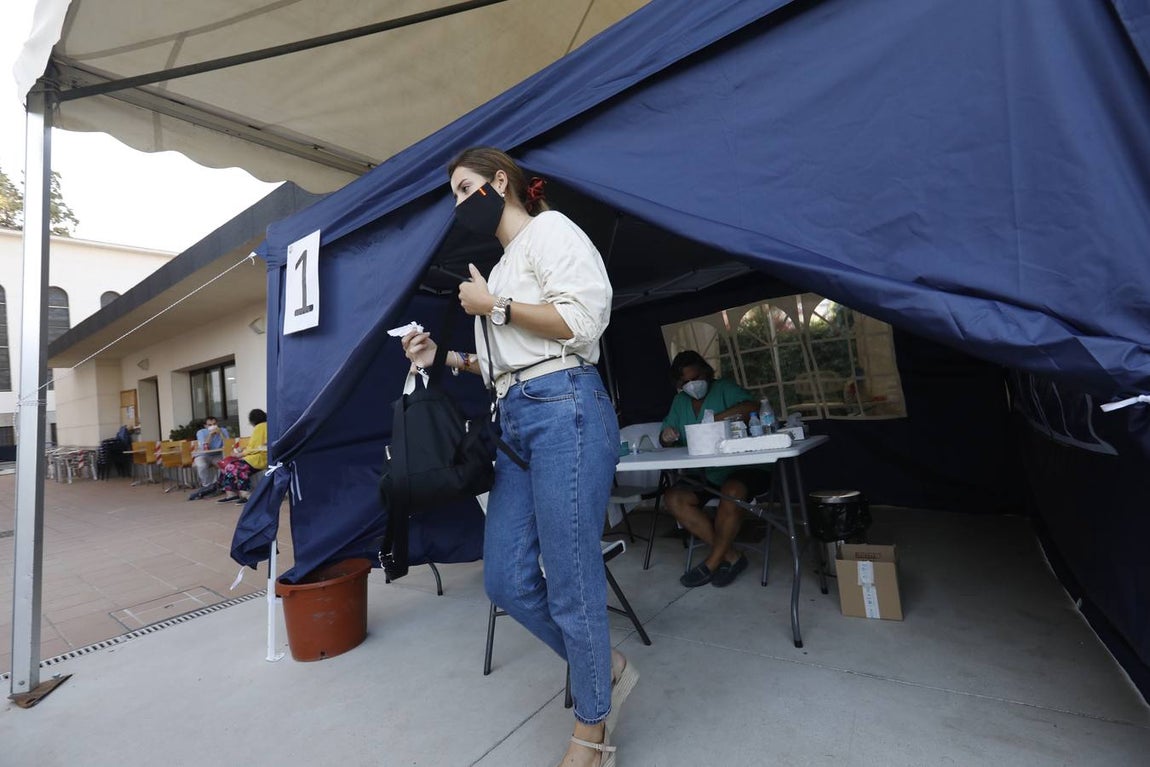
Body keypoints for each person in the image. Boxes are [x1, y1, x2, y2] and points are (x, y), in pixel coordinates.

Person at [402, 147, 635, 767]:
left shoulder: (550, 231)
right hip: (518, 417)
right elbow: (503, 362)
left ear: (500, 182)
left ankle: (592, 732)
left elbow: (584, 321)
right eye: (454, 193)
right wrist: (443, 359)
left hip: (568, 408)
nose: (458, 203)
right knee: (505, 577)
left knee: (571, 578)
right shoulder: (498, 270)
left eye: (464, 187)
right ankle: (604, 667)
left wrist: (495, 308)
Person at [659, 350, 766, 588]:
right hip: (706, 472)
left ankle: (711, 562)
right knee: (674, 498)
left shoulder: (724, 388)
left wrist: (717, 418)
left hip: (743, 467)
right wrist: (666, 436)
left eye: (695, 377)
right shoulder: (680, 402)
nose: (692, 385)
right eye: (685, 382)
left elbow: (752, 407)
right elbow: (666, 437)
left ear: (706, 373)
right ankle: (731, 556)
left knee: (732, 492)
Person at [215, 409, 268, 504]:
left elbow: (257, 447)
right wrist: (243, 450)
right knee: (230, 466)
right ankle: (233, 494)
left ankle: (245, 495)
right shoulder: (265, 426)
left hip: (259, 457)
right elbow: (256, 446)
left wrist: (241, 453)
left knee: (233, 467)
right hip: (259, 456)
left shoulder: (260, 427)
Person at [188, 416, 229, 500]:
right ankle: (206, 486)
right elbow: (205, 447)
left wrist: (220, 433)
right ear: (205, 426)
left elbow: (228, 444)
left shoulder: (223, 430)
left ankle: (217, 485)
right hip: (203, 455)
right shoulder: (201, 432)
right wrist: (210, 434)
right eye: (209, 425)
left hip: (217, 455)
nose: (212, 426)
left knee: (225, 465)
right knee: (201, 466)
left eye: (214, 424)